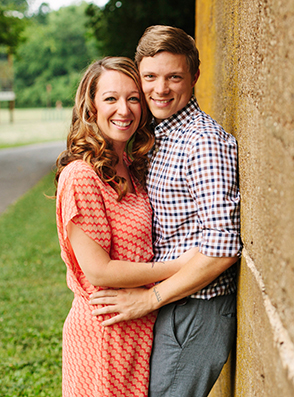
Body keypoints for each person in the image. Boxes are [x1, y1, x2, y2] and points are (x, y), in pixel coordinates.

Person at [89, 26, 242, 397]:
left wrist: (149, 299)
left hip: (196, 308)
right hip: (172, 303)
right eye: (151, 77)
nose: (161, 89)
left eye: (174, 76)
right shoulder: (157, 137)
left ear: (194, 76)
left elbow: (223, 246)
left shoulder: (202, 142)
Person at [55, 56, 195, 396]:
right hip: (104, 334)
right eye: (111, 98)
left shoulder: (130, 167)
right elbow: (99, 271)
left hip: (139, 330)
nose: (124, 109)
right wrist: (182, 266)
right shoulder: (82, 175)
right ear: (90, 107)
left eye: (133, 98)